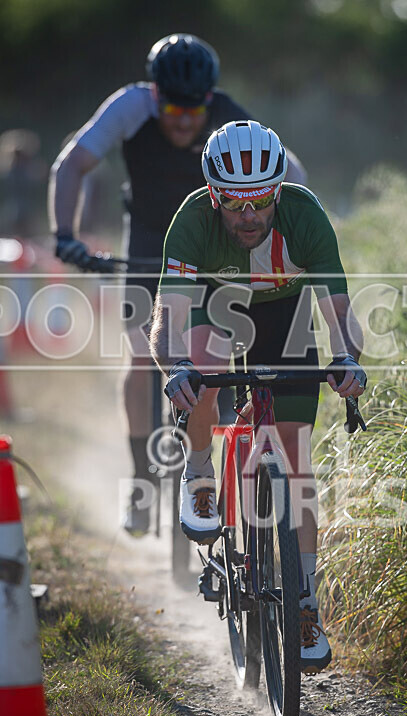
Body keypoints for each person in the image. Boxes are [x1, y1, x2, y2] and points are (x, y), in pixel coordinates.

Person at [48, 33, 306, 535]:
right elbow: (72, 164)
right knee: (143, 356)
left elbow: (290, 172)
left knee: (225, 356)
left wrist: (298, 233)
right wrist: (65, 235)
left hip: (215, 242)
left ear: (210, 98)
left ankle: (220, 461)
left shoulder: (228, 114)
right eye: (172, 107)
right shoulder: (129, 107)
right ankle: (140, 480)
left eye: (195, 109)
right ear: (153, 93)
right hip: (147, 241)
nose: (184, 120)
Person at [149, 120, 366, 674]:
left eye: (260, 202)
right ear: (213, 195)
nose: (248, 217)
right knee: (199, 367)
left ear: (277, 191)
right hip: (215, 307)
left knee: (295, 460)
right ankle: (200, 473)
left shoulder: (305, 215)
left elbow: (338, 310)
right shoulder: (193, 221)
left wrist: (346, 361)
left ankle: (306, 604)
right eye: (234, 204)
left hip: (282, 315)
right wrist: (176, 368)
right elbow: (167, 320)